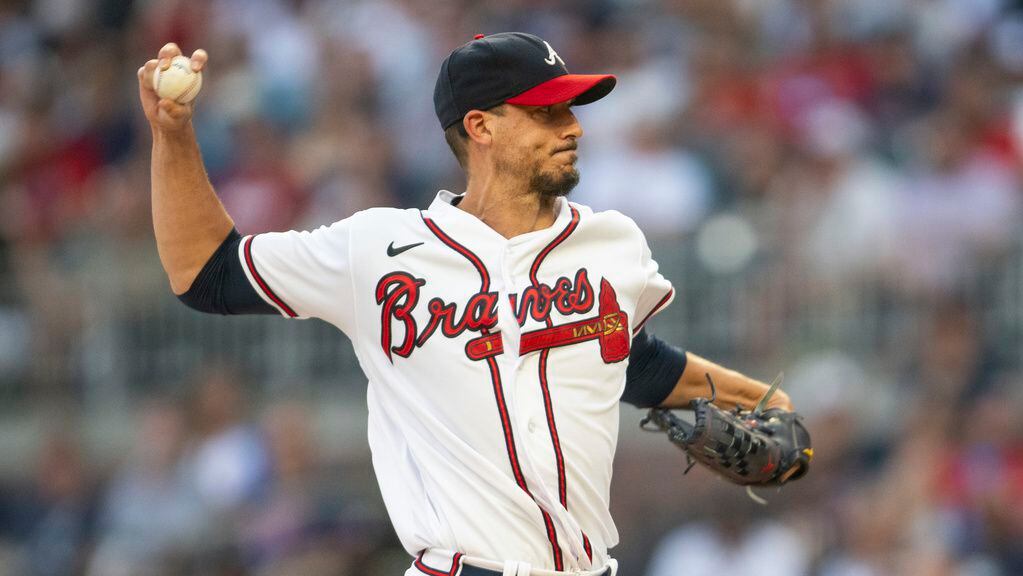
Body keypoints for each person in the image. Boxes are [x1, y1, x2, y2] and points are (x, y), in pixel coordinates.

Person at [137, 32, 795, 576]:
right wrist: (173, 136)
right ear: (479, 126)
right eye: (546, 112)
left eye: (570, 110)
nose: (572, 128)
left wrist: (760, 401)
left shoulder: (611, 242)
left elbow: (620, 355)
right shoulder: (378, 248)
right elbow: (206, 273)